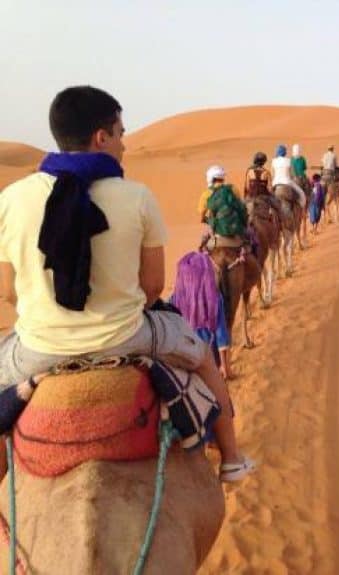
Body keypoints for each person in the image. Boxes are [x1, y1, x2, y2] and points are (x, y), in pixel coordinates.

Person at [0, 86, 253, 482]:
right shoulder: (136, 197)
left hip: (38, 348)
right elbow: (153, 286)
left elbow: (9, 292)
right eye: (120, 133)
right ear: (101, 137)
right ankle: (233, 460)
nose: (124, 145)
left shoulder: (11, 199)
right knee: (204, 356)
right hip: (126, 336)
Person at [171, 252, 232, 380]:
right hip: (209, 360)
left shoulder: (173, 300)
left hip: (184, 360)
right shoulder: (214, 299)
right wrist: (224, 366)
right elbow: (221, 334)